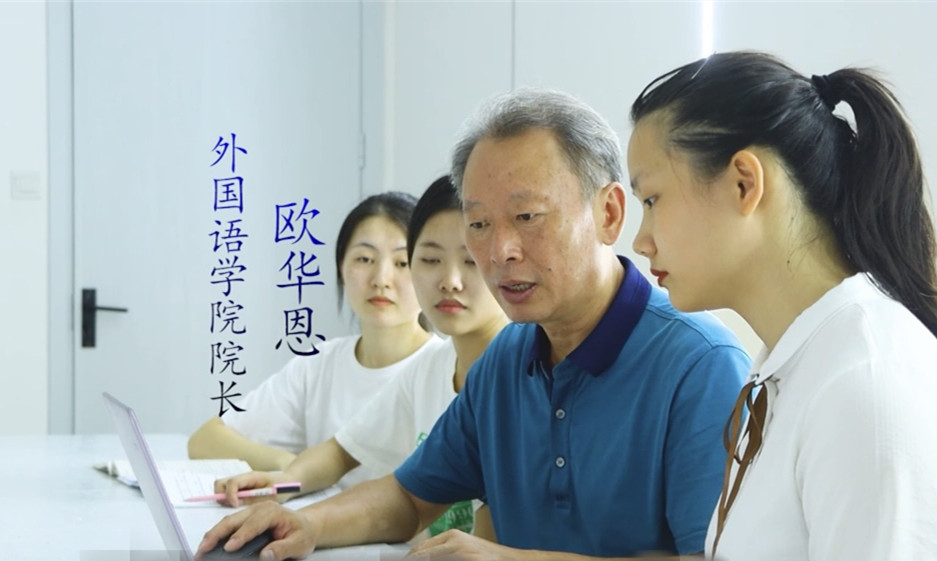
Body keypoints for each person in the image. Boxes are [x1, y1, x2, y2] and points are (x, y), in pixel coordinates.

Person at [196, 89, 751, 561]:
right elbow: (410, 498)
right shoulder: (509, 357)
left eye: (527, 217)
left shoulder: (701, 367)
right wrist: (308, 523)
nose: (499, 250)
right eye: (479, 224)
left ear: (608, 214)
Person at [627, 51, 937, 561]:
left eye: (652, 200)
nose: (641, 241)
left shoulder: (864, 385)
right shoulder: (794, 368)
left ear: (744, 183)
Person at [211, 175, 509, 538]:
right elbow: (346, 450)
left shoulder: (526, 374)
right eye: (430, 259)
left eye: (471, 261)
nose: (450, 281)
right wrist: (287, 486)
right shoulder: (428, 369)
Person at [188, 191, 444, 489]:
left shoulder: (444, 368)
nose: (381, 279)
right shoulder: (320, 363)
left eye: (402, 262)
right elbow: (205, 440)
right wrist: (292, 468)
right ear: (341, 267)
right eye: (364, 259)